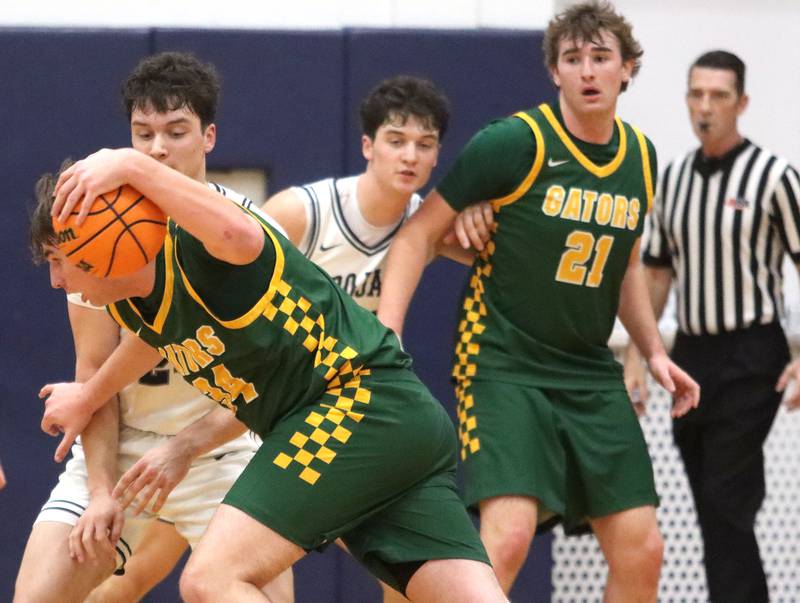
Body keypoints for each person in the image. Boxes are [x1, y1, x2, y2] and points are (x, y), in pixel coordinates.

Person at [31, 151, 508, 602]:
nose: (55, 281)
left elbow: (241, 237)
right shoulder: (134, 302)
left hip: (352, 402)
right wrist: (91, 394)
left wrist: (131, 164)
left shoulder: (202, 245)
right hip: (397, 418)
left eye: (58, 259)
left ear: (97, 239)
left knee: (211, 580)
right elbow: (159, 338)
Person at [377, 1, 700, 599]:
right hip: (503, 363)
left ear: (627, 68)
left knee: (643, 546)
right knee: (509, 535)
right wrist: (388, 333)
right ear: (554, 72)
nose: (587, 71)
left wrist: (653, 351)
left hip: (587, 369)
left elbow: (625, 264)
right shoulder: (514, 143)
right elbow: (418, 235)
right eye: (572, 59)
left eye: (601, 58)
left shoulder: (642, 158)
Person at [15, 52, 291, 603]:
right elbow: (92, 374)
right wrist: (98, 491)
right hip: (122, 449)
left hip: (220, 450)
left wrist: (184, 448)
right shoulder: (92, 229)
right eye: (143, 133)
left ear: (209, 137)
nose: (158, 148)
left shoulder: (248, 234)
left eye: (176, 131)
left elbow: (268, 381)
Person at [624, 50, 800, 603]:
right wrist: (636, 357)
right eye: (696, 94)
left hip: (753, 353)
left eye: (719, 96)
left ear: (741, 103)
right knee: (712, 505)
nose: (705, 107)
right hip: (692, 355)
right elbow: (654, 276)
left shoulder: (775, 178)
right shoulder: (672, 179)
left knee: (727, 498)